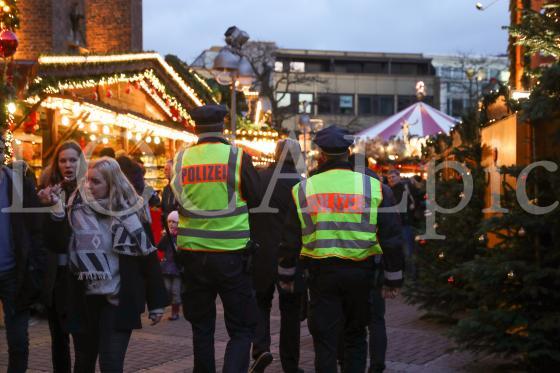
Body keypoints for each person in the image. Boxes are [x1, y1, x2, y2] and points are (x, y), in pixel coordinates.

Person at [278, 126, 404, 373]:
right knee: (356, 337)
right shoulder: (374, 187)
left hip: (321, 275)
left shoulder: (304, 189)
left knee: (324, 341)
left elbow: (291, 238)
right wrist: (393, 279)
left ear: (321, 154)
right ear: (348, 152)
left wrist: (286, 274)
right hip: (361, 273)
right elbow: (391, 237)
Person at [173, 104, 260, 372]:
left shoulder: (181, 158)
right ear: (222, 127)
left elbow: (177, 198)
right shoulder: (236, 156)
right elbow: (256, 198)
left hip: (193, 255)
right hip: (231, 255)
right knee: (241, 329)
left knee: (201, 328)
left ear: (195, 128)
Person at [66, 157, 167, 373]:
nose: (89, 187)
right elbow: (56, 243)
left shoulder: (132, 214)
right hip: (85, 300)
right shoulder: (75, 210)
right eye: (87, 181)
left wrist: (157, 303)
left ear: (112, 184)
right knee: (83, 363)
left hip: (118, 299)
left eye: (96, 182)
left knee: (111, 364)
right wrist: (55, 217)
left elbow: (149, 259)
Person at [250, 139, 305, 373]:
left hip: (260, 252)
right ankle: (290, 364)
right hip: (290, 255)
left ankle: (261, 348)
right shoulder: (302, 186)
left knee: (260, 303)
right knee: (290, 311)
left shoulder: (259, 179)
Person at [349, 153, 403, 373]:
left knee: (351, 322)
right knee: (376, 320)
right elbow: (391, 236)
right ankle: (377, 365)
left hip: (350, 263)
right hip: (376, 263)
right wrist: (393, 277)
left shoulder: (346, 189)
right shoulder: (381, 190)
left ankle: (350, 365)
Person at [37, 140, 86, 373]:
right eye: (63, 160)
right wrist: (48, 209)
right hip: (55, 274)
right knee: (58, 338)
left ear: (81, 162)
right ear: (57, 164)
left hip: (81, 275)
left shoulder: (90, 190)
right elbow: (45, 239)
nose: (68, 165)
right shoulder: (47, 191)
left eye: (73, 160)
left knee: (82, 338)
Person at [0, 140, 46, 373]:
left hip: (15, 273)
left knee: (18, 340)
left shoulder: (18, 182)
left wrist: (36, 266)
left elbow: (35, 227)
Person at [386, 169, 418, 279]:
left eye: (393, 177)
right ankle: (404, 274)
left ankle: (411, 275)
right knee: (399, 251)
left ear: (399, 177)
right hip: (394, 226)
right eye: (389, 178)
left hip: (405, 224)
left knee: (408, 251)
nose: (391, 179)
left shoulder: (405, 188)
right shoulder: (388, 190)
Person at [157, 210, 181, 321]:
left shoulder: (181, 237)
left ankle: (175, 312)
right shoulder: (166, 235)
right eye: (169, 221)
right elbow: (160, 247)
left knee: (176, 291)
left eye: (174, 221)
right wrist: (165, 236)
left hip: (177, 269)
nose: (171, 224)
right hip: (167, 267)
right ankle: (164, 308)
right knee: (166, 289)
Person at [161, 159, 178, 231]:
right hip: (167, 227)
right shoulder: (166, 189)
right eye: (164, 169)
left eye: (167, 169)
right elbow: (164, 208)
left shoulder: (180, 188)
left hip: (177, 227)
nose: (164, 172)